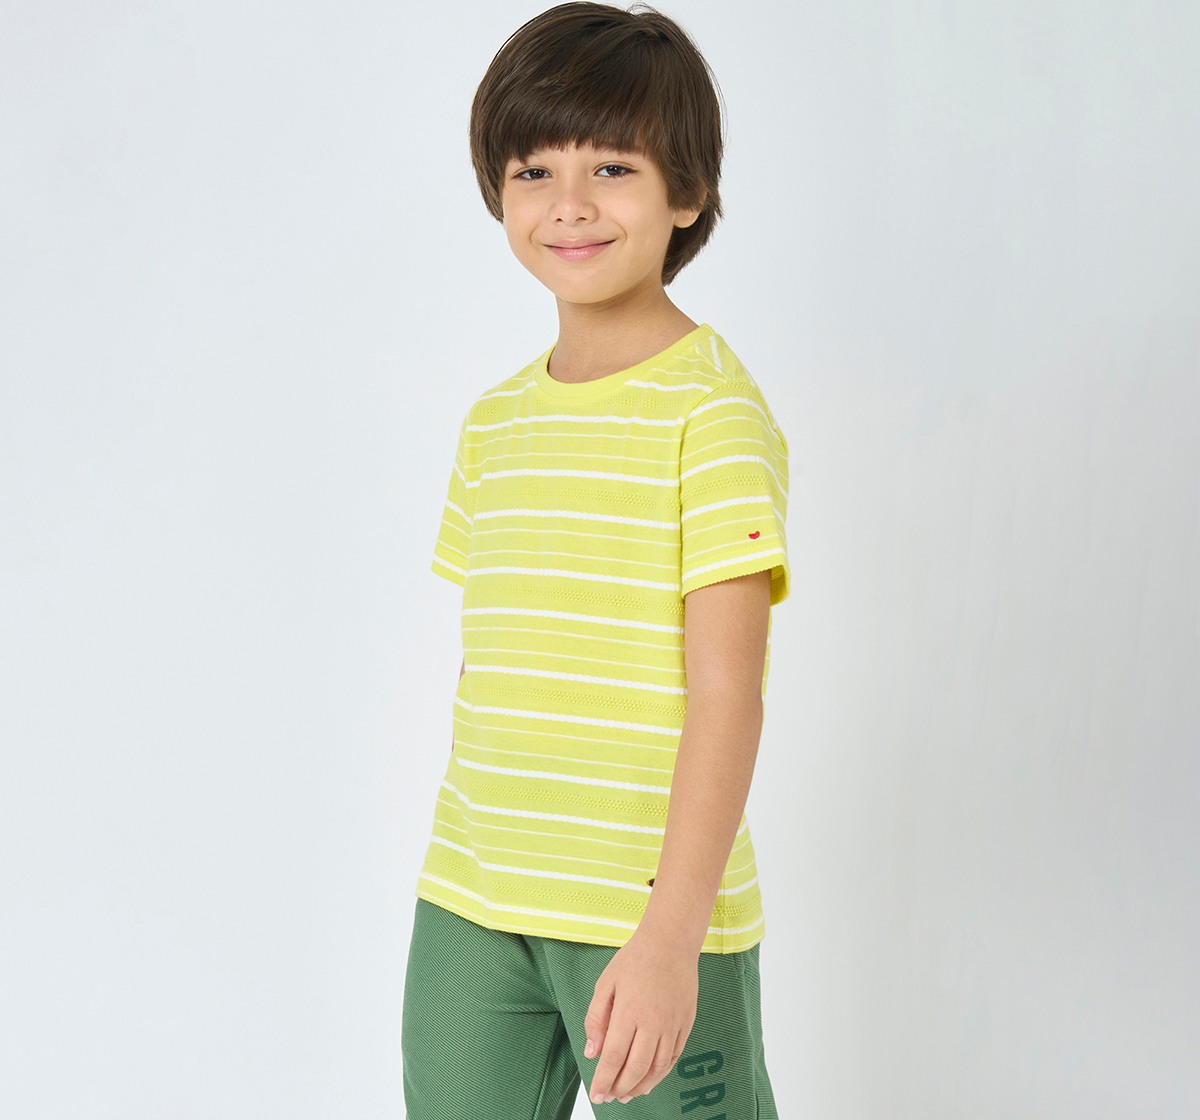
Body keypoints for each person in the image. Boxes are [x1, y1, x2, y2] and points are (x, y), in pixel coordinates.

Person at [401, 3, 790, 1116]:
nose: (569, 203)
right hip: (475, 896)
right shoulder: (494, 422)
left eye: (612, 166)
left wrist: (670, 936)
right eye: (535, 169)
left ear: (686, 192)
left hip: (646, 913)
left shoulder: (713, 415)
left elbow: (729, 695)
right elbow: (493, 664)